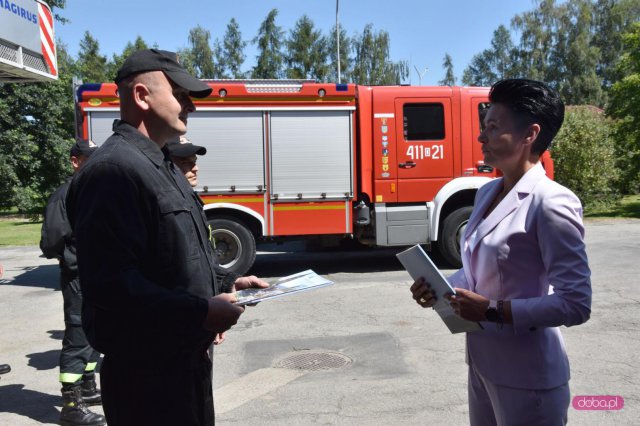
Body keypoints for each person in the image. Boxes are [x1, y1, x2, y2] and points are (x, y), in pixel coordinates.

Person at [66, 49, 268, 426]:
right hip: (146, 380)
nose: (190, 106)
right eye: (181, 94)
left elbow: (174, 257)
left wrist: (225, 282)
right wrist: (203, 312)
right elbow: (109, 285)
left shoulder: (161, 165)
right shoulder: (113, 172)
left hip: (183, 363)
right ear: (142, 96)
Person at [410, 79, 591, 425]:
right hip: (483, 365)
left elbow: (576, 303)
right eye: (484, 126)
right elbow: (476, 271)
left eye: (493, 127)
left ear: (530, 135)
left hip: (529, 379)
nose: (481, 137)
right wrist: (440, 288)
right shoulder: (486, 192)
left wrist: (493, 310)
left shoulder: (552, 202)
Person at [40, 139, 106, 426]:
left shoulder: (93, 192)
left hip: (99, 275)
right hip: (79, 276)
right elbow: (51, 241)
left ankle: (88, 387)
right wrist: (71, 257)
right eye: (88, 158)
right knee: (78, 335)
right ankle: (71, 405)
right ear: (75, 161)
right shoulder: (65, 194)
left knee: (94, 332)